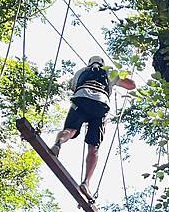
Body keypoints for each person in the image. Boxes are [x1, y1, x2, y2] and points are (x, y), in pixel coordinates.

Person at [50, 56, 136, 201]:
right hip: (100, 105)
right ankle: (86, 182)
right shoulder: (109, 72)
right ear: (103, 63)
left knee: (70, 130)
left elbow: (73, 86)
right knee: (93, 147)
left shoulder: (81, 72)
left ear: (89, 63)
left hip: (80, 99)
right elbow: (131, 85)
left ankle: (58, 144)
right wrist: (120, 77)